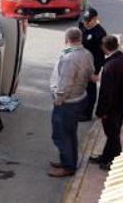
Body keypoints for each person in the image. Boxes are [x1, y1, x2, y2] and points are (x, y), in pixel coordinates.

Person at [48, 28, 94, 177]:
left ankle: (68, 166)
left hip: (68, 102)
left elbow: (65, 84)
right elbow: (90, 72)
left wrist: (58, 100)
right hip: (79, 98)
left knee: (61, 135)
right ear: (80, 39)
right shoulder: (87, 54)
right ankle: (68, 160)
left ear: (67, 39)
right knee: (70, 133)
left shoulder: (69, 58)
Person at [91, 36, 123, 170]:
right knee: (114, 133)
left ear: (104, 48)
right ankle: (106, 157)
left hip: (111, 109)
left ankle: (116, 161)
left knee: (113, 135)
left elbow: (106, 93)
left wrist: (101, 111)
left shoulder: (109, 66)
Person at [78, 8, 107, 121]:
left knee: (90, 90)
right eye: (85, 20)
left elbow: (100, 55)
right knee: (80, 88)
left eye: (88, 20)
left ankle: (87, 113)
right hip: (80, 63)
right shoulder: (82, 27)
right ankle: (80, 109)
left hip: (91, 66)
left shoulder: (100, 33)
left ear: (95, 19)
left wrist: (96, 72)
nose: (86, 22)